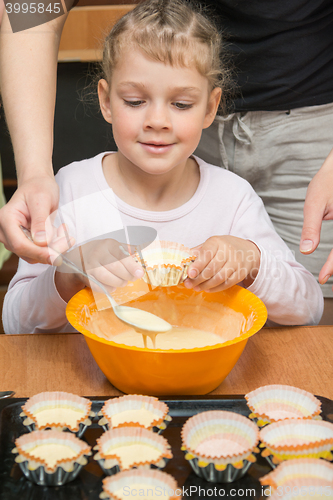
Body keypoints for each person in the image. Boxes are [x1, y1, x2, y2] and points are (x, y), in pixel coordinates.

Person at [2, 0, 323, 334]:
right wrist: (68, 275)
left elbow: (310, 309)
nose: (157, 121)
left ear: (210, 108)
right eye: (135, 102)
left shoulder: (233, 200)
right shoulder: (70, 191)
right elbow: (14, 323)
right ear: (105, 100)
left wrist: (252, 262)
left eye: (181, 104)